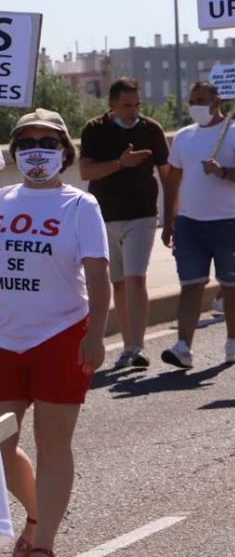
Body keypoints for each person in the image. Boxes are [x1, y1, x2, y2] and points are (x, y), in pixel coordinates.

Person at [0, 109, 110, 557]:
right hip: (5, 338)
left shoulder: (80, 205)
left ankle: (42, 545)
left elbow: (99, 274)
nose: (36, 151)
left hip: (62, 334)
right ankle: (35, 516)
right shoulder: (2, 200)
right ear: (14, 152)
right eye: (27, 143)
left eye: (47, 142)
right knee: (4, 445)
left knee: (52, 442)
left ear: (64, 151)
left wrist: (97, 333)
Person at [161, 82, 235, 368]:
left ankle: (233, 343)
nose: (196, 106)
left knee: (231, 284)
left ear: (216, 100)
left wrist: (224, 172)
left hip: (229, 222)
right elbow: (173, 180)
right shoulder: (183, 137)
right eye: (192, 101)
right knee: (191, 284)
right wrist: (169, 221)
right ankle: (183, 347)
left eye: (202, 100)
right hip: (190, 224)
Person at [78, 78, 170, 370]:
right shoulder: (94, 130)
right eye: (126, 105)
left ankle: (136, 347)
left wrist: (171, 217)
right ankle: (127, 346)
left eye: (137, 104)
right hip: (104, 217)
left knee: (136, 278)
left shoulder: (152, 130)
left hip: (142, 215)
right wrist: (120, 163)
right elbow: (85, 171)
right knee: (117, 284)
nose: (133, 111)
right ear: (112, 106)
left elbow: (167, 174)